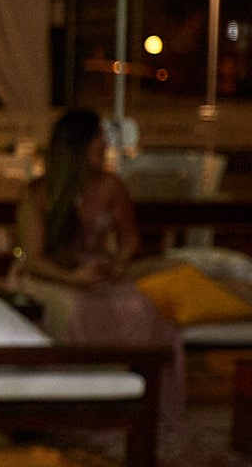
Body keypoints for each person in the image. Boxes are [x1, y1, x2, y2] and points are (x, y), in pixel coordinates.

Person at [13, 108, 183, 412]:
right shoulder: (38, 194)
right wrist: (72, 278)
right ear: (78, 149)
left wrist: (118, 263)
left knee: (141, 307)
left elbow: (130, 238)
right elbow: (33, 259)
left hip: (97, 271)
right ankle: (78, 402)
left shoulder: (111, 186)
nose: (105, 149)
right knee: (77, 310)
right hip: (48, 273)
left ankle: (139, 399)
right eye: (98, 144)